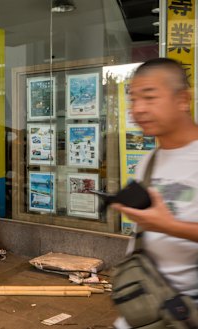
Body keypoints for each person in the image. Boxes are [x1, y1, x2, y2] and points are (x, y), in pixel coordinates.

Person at [111, 58, 198, 328]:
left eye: (149, 97)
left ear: (182, 99)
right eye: (133, 100)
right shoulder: (149, 160)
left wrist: (169, 226)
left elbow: (164, 224)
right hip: (147, 306)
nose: (138, 110)